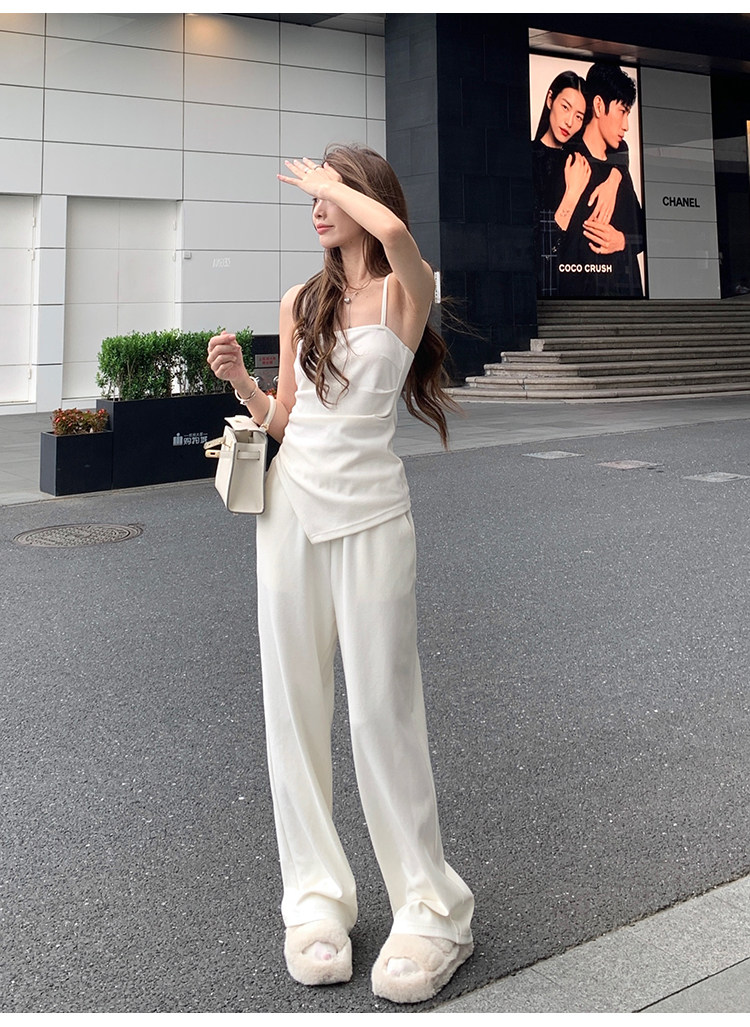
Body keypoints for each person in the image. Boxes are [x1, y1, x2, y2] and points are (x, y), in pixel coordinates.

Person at [206, 144, 474, 1005]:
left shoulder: (404, 288)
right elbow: (288, 420)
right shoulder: (300, 301)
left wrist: (344, 188)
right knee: (293, 711)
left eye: (333, 190)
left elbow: (397, 240)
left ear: (368, 198)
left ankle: (432, 910)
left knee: (381, 712)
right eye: (313, 193)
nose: (316, 204)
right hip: (288, 511)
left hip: (372, 515)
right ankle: (315, 901)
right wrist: (245, 384)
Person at [555, 62, 645, 297]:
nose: (626, 126)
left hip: (629, 299)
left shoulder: (618, 168)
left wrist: (621, 241)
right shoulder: (570, 162)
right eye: (622, 112)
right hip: (582, 300)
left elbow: (643, 234)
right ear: (597, 105)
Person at [532, 70, 622, 296]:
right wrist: (571, 196)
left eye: (579, 116)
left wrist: (615, 176)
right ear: (550, 99)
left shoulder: (580, 162)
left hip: (582, 289)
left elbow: (619, 146)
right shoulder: (530, 157)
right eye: (565, 107)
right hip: (544, 291)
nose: (569, 122)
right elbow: (537, 248)